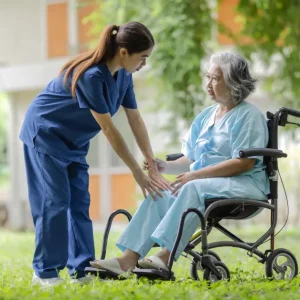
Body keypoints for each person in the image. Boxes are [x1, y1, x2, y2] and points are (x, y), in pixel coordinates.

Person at [90, 52, 270, 275]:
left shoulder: (249, 116)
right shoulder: (206, 116)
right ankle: (127, 260)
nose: (208, 84)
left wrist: (197, 175)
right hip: (207, 186)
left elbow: (245, 163)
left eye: (215, 79)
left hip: (245, 185)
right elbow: (191, 158)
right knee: (160, 192)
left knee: (193, 186)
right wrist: (161, 166)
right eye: (208, 77)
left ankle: (164, 258)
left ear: (233, 82)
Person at [20, 21, 170, 286]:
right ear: (124, 52)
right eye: (143, 57)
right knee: (55, 201)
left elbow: (134, 118)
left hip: (74, 143)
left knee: (79, 204)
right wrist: (137, 173)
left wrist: (149, 159)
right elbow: (110, 130)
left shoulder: (123, 76)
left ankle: (81, 270)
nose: (144, 63)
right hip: (45, 134)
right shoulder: (91, 76)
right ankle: (44, 273)